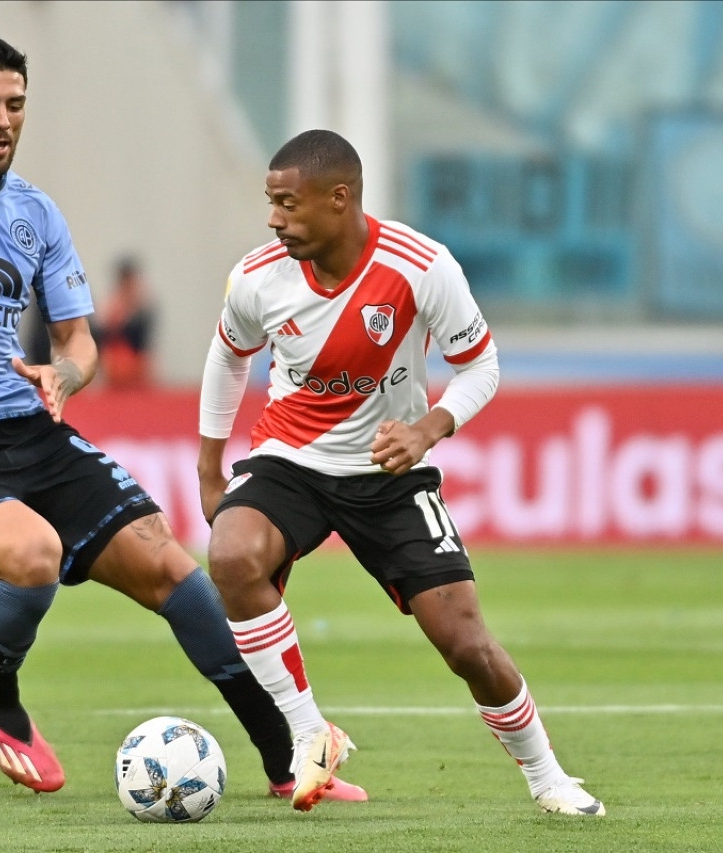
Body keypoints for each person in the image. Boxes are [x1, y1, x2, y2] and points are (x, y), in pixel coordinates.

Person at [0, 34, 364, 803]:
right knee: (34, 553)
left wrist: (65, 373)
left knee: (176, 571)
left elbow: (79, 340)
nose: (2, 120)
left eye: (14, 105)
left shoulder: (34, 213)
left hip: (26, 426)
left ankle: (288, 765)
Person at [197, 129, 606, 816]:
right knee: (232, 555)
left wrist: (428, 428)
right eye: (271, 203)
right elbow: (229, 355)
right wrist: (210, 465)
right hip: (289, 460)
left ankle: (549, 777)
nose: (274, 218)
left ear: (340, 198)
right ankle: (309, 734)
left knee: (465, 643)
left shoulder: (421, 266)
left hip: (388, 474)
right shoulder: (257, 276)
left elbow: (482, 365)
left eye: (288, 204)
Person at [92, 255, 156, 388]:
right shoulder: (114, 303)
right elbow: (104, 331)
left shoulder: (142, 305)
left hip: (136, 360)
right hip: (115, 361)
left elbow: (144, 340)